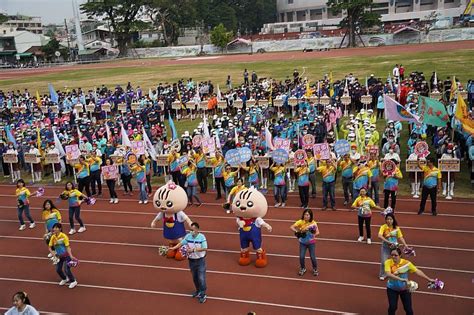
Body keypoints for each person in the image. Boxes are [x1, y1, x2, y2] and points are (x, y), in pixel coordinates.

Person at [385, 247, 436, 315]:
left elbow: (417, 271)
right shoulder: (388, 262)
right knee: (393, 307)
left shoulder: (407, 264)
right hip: (392, 289)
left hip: (405, 289)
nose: (393, 257)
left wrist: (429, 279)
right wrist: (401, 279)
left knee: (408, 309)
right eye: (392, 255)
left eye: (395, 255)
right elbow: (388, 274)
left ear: (400, 255)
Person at [170, 222, 208, 304]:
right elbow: (181, 243)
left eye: (193, 230)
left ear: (197, 230)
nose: (191, 231)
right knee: (195, 277)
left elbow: (205, 248)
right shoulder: (188, 236)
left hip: (200, 260)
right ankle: (198, 290)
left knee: (201, 278)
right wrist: (173, 248)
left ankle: (203, 294)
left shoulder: (202, 237)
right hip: (191, 260)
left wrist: (193, 250)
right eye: (190, 230)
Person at [290, 209, 320, 276]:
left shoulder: (313, 223)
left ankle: (315, 269)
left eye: (307, 215)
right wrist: (298, 231)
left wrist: (312, 233)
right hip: (303, 243)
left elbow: (318, 232)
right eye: (305, 214)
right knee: (301, 257)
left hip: (311, 242)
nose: (306, 216)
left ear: (310, 216)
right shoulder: (300, 221)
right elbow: (291, 227)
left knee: (312, 257)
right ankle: (303, 268)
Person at [378, 213, 408, 281]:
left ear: (393, 220)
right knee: (384, 261)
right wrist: (388, 242)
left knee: (396, 260)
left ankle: (395, 272)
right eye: (387, 219)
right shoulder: (383, 227)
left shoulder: (396, 228)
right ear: (385, 220)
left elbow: (400, 237)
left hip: (394, 248)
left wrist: (405, 245)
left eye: (390, 219)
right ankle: (383, 274)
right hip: (385, 247)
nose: (389, 221)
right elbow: (379, 236)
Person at [48, 223, 78, 289]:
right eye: (54, 228)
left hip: (66, 255)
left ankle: (73, 281)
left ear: (60, 229)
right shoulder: (53, 237)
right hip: (59, 257)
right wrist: (54, 255)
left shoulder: (64, 236)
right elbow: (50, 247)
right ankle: (64, 279)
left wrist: (71, 256)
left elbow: (67, 247)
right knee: (58, 270)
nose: (54, 229)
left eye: (56, 228)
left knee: (66, 269)